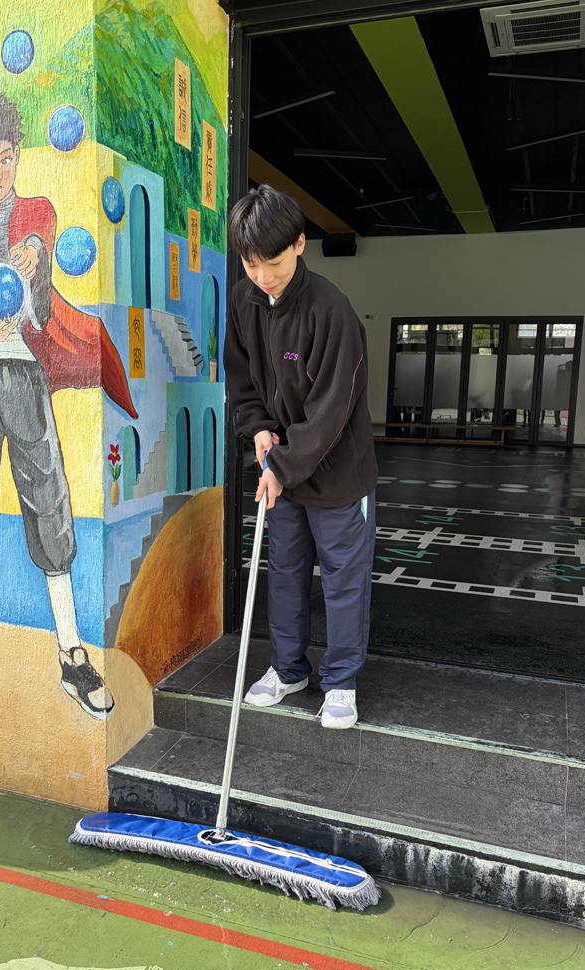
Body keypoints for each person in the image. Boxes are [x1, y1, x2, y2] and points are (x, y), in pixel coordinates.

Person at [0, 94, 138, 720]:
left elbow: (42, 235)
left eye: (4, 158)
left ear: (17, 156)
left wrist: (34, 253)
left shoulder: (35, 209)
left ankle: (72, 650)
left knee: (46, 491)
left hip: (24, 372)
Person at [224, 185, 378, 729]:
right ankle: (288, 669)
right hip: (282, 469)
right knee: (285, 572)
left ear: (299, 244)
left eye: (273, 262)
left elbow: (332, 410)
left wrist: (283, 465)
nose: (263, 276)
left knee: (342, 579)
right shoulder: (243, 301)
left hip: (338, 474)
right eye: (252, 264)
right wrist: (259, 431)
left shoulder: (331, 311)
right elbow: (242, 380)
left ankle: (341, 681)